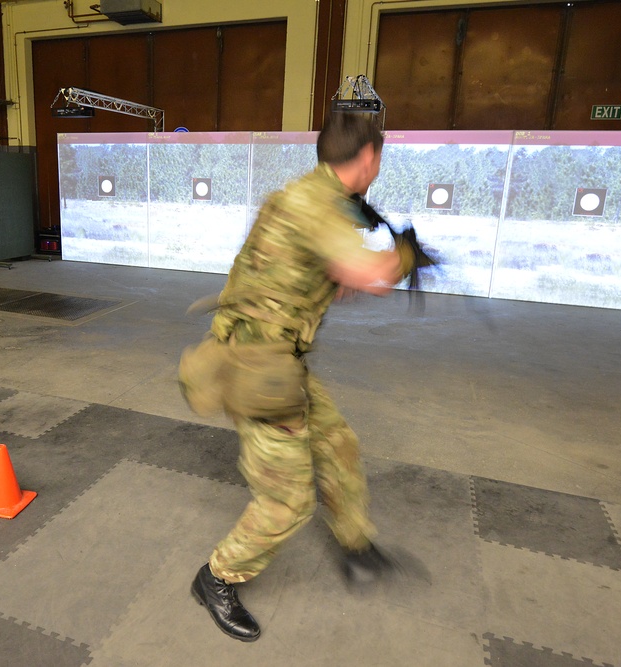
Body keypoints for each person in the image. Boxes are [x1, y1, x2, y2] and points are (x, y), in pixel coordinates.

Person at [180, 113, 413, 642]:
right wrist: (404, 255)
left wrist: (351, 274)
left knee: (337, 443)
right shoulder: (319, 204)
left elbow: (323, 277)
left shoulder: (308, 198)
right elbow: (372, 278)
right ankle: (216, 577)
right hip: (257, 371)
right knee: (288, 500)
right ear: (369, 158)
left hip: (280, 359)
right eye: (379, 159)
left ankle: (355, 543)